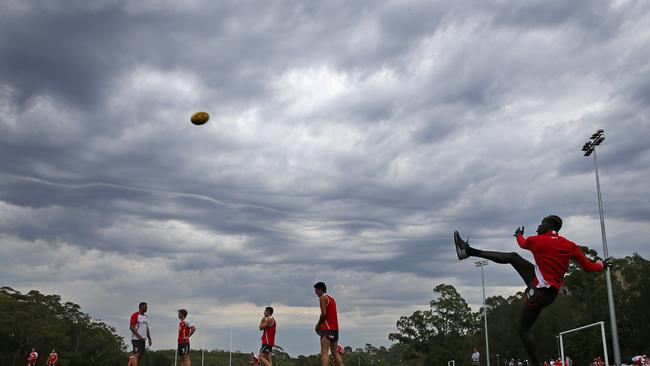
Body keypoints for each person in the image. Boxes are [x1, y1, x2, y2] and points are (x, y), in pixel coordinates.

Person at [454, 215, 611, 366]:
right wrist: (602, 265)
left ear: (548, 226)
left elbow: (522, 243)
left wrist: (518, 235)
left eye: (541, 224)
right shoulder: (570, 245)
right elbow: (589, 267)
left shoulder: (537, 241)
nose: (538, 226)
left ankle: (537, 364)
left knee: (523, 330)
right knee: (514, 258)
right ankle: (468, 251)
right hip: (546, 290)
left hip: (538, 292)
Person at [314, 282, 344, 366]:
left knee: (324, 352)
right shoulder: (331, 298)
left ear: (320, 289)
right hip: (335, 329)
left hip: (327, 329)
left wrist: (318, 324)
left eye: (316, 290)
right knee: (335, 352)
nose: (315, 292)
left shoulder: (323, 298)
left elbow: (323, 314)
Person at [129, 302, 152, 366]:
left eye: (147, 307)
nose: (146, 308)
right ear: (140, 307)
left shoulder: (146, 317)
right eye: (145, 306)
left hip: (143, 339)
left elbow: (146, 328)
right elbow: (131, 327)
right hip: (136, 339)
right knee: (136, 354)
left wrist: (149, 338)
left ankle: (130, 363)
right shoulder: (135, 315)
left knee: (138, 355)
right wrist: (139, 336)